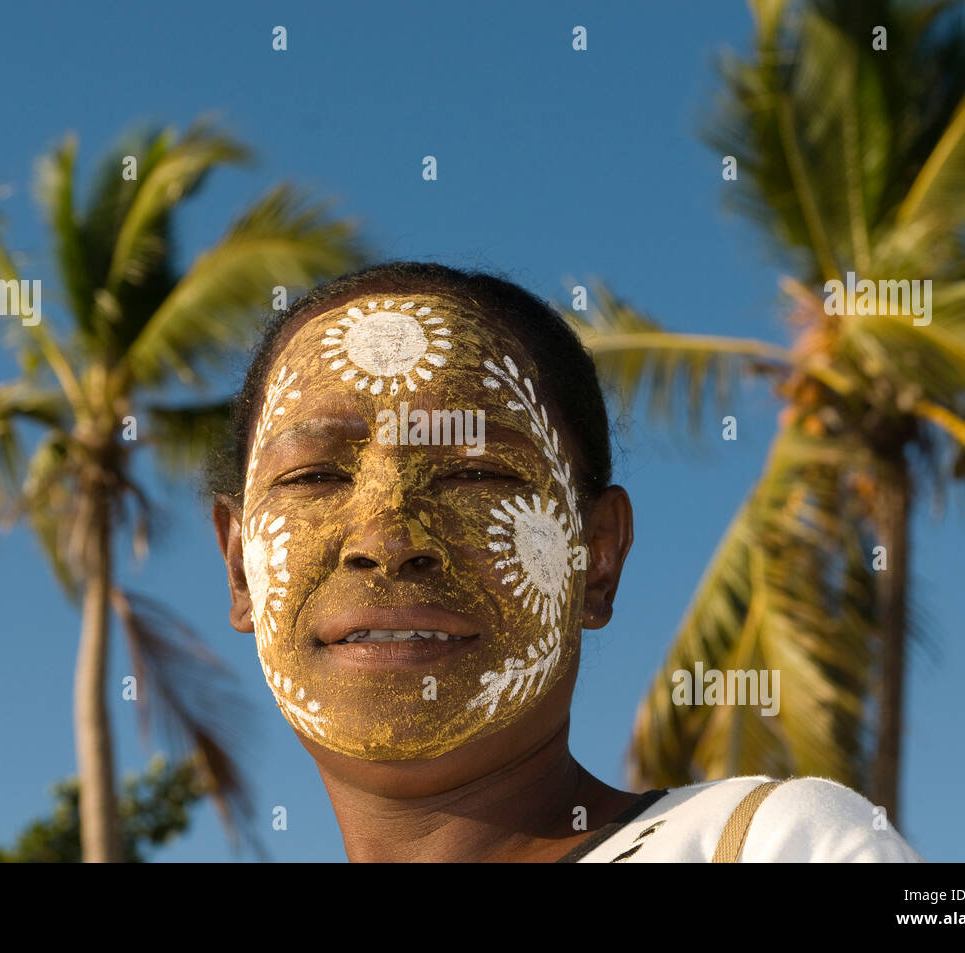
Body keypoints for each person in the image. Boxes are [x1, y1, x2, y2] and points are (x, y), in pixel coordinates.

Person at [209, 261, 923, 862]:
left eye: (476, 473)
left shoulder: (778, 845)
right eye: (314, 476)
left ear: (598, 556)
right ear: (241, 567)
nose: (387, 537)